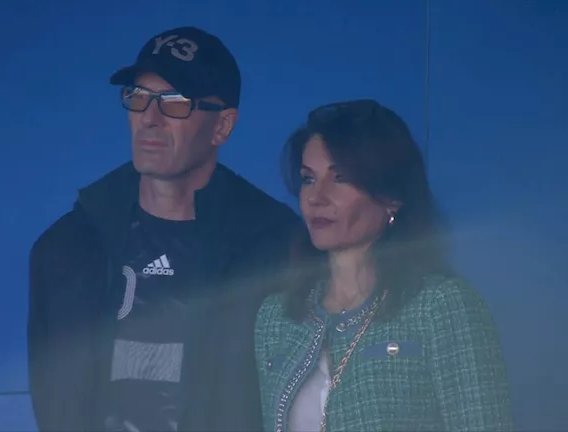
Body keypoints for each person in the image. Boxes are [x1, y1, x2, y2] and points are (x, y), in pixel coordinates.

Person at [27, 26, 301, 432]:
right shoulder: (65, 249)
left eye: (175, 103)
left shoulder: (278, 249)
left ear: (222, 126)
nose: (149, 119)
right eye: (139, 97)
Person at [254, 99, 514, 432]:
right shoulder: (277, 318)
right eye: (308, 179)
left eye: (340, 178)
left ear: (391, 196)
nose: (316, 197)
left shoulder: (442, 306)